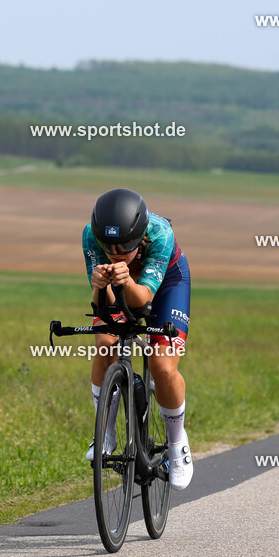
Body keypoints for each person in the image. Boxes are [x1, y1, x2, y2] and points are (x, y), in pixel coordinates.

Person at [81, 188, 193, 490]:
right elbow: (102, 306)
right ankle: (104, 433)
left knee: (162, 365)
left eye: (123, 249)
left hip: (168, 283)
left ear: (140, 237)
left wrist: (127, 278)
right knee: (105, 344)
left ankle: (176, 445)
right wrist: (99, 286)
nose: (115, 254)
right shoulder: (91, 236)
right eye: (109, 248)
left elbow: (142, 300)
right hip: (121, 283)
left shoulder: (160, 234)